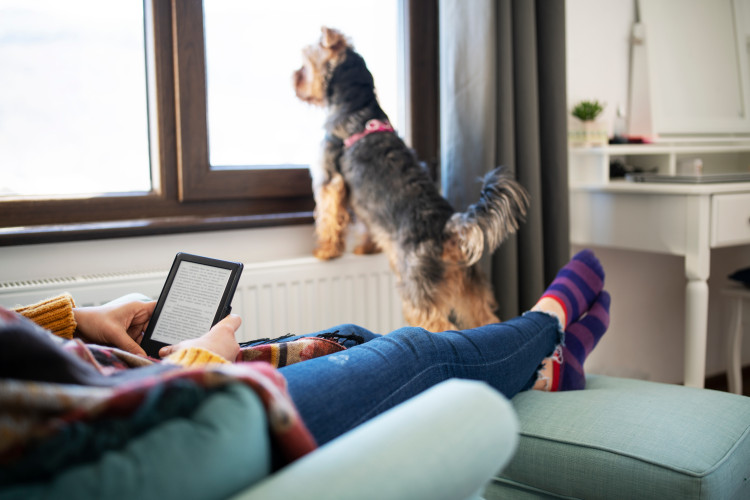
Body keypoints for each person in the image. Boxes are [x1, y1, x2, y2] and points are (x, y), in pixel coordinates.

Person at [1, 249, 609, 484]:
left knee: (341, 339)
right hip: (159, 417)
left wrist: (77, 318)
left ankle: (541, 371)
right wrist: (197, 363)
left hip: (106, 371)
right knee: (413, 353)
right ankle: (548, 323)